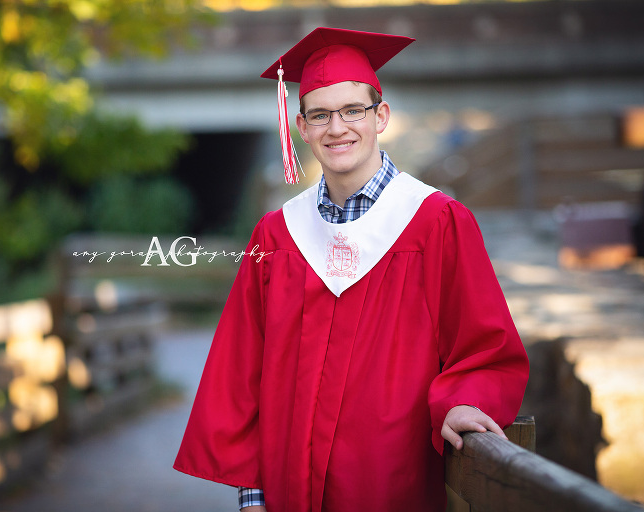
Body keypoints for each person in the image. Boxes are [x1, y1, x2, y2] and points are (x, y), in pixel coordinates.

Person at [174, 27, 529, 512]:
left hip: (392, 486)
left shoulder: (437, 222)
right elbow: (240, 372)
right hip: (287, 492)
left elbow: (484, 346)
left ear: (380, 116)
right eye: (320, 115)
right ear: (302, 127)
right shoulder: (276, 235)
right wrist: (251, 496)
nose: (336, 127)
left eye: (352, 110)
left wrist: (466, 401)